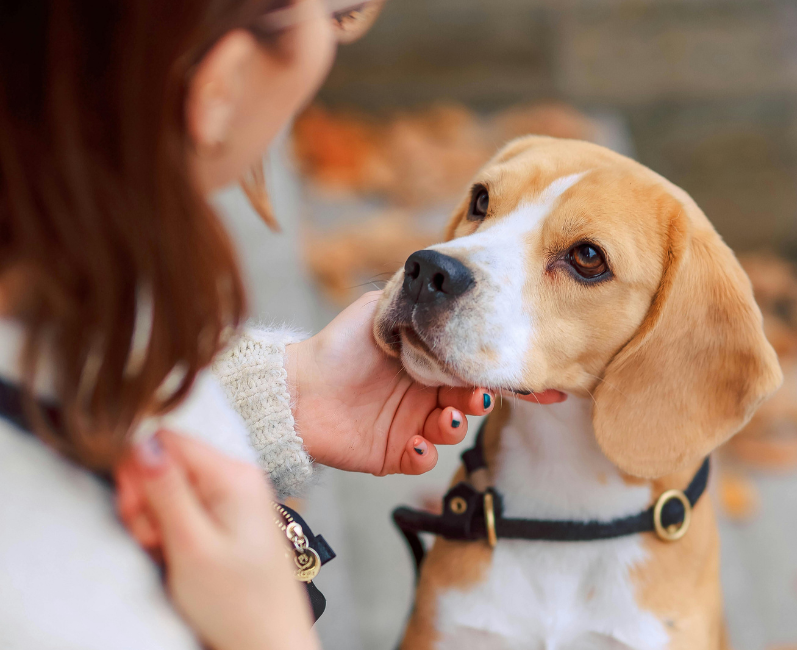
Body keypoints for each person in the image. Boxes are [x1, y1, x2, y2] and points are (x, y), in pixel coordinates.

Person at [0, 1, 495, 648]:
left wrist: (286, 391)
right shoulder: (75, 603)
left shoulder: (71, 276)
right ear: (221, 83)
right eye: (336, 16)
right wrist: (271, 633)